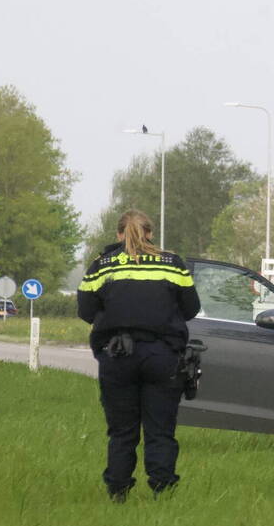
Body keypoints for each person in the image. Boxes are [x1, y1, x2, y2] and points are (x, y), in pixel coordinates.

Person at [77, 209, 201, 502]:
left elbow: (85, 311)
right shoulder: (172, 263)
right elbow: (191, 308)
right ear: (150, 233)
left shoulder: (101, 265)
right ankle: (163, 492)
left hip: (117, 354)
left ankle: (118, 493)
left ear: (119, 234)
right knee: (160, 430)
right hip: (163, 355)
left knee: (122, 432)